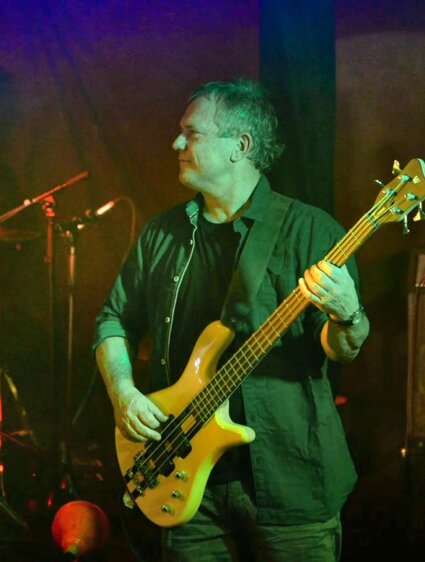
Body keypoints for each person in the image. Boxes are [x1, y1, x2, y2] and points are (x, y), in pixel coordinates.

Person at [93, 79, 370, 561]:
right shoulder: (163, 234)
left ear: (240, 146)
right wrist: (123, 394)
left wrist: (349, 315)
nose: (176, 144)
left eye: (192, 133)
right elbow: (113, 320)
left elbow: (340, 348)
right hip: (186, 480)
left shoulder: (310, 231)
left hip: (289, 480)